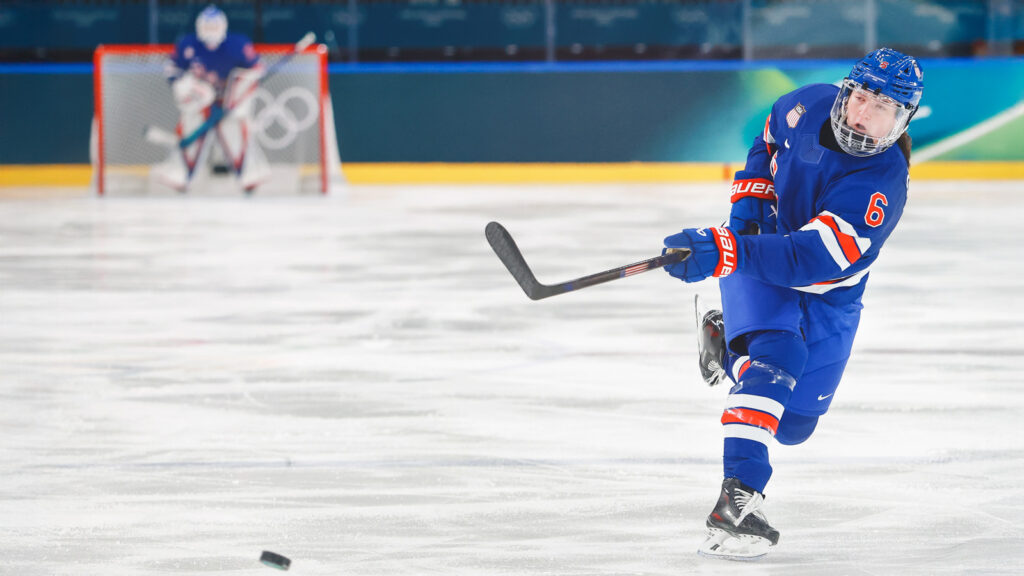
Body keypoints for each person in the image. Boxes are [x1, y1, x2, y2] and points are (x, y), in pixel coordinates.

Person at [661, 48, 924, 560]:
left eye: (883, 109)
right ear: (846, 92)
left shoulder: (881, 183)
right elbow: (767, 138)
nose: (864, 115)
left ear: (902, 121)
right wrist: (747, 212)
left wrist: (728, 250)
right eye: (862, 98)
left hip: (826, 290)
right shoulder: (804, 105)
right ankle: (740, 498)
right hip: (762, 254)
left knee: (795, 426)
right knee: (778, 360)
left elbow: (810, 259)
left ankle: (725, 346)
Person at [159, 5, 269, 193]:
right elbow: (171, 69)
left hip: (229, 102)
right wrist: (185, 86)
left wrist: (240, 95)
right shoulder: (188, 44)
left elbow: (258, 69)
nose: (211, 31)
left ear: (223, 26)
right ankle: (179, 174)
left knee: (237, 131)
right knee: (189, 130)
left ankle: (249, 174)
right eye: (207, 26)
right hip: (199, 103)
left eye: (215, 26)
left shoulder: (237, 44)